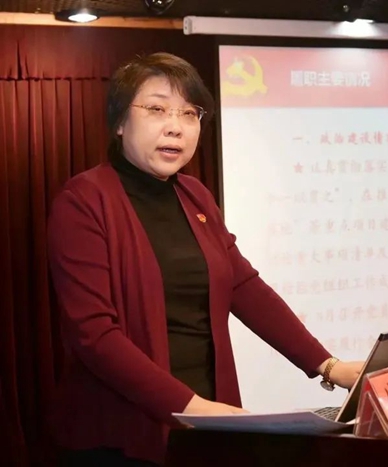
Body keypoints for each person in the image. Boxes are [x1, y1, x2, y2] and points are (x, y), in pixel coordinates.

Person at [46, 52, 364, 467]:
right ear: (120, 122)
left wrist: (328, 365)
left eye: (189, 113)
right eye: (157, 109)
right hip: (122, 433)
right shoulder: (84, 200)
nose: (175, 126)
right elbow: (94, 335)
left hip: (207, 425)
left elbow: (244, 287)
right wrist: (192, 408)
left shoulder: (194, 195)